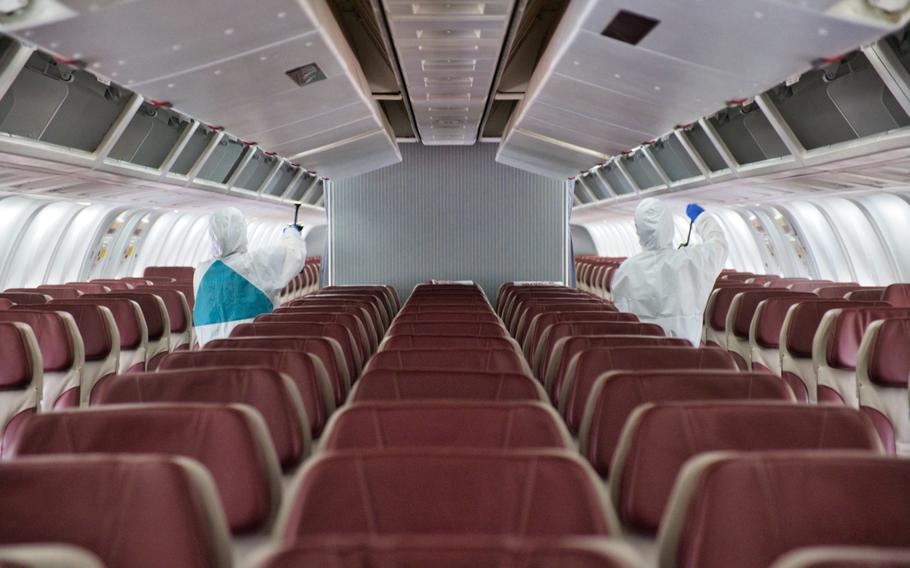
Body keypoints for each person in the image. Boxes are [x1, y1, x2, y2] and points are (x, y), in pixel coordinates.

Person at [610, 198, 728, 346]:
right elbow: (719, 245)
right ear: (669, 225)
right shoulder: (690, 261)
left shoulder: (625, 271)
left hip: (639, 358)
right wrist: (702, 218)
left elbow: (621, 321)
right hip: (685, 359)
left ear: (638, 229)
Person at [193, 207, 306, 346]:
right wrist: (291, 232)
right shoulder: (255, 264)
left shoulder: (200, 272)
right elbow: (293, 255)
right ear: (240, 232)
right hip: (254, 352)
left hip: (210, 358)